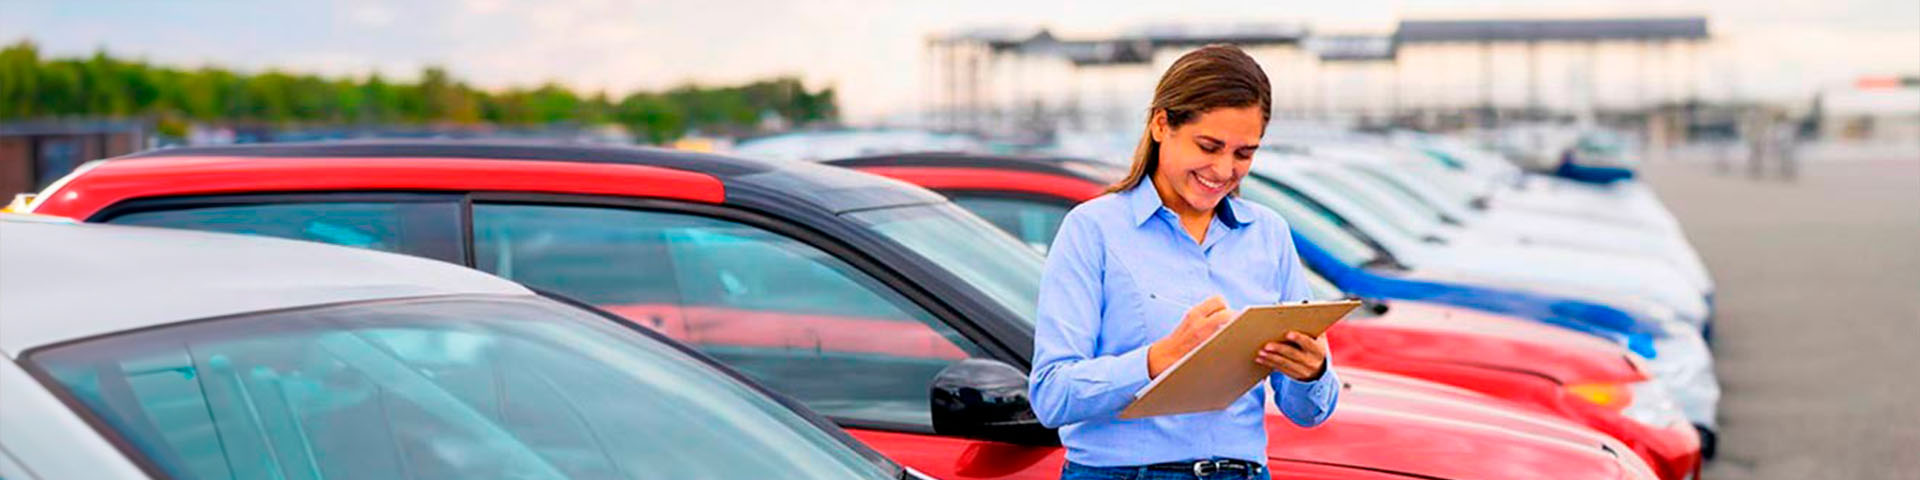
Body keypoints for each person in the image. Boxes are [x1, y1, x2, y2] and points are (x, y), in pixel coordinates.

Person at [1028, 44, 1337, 480]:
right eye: (1209, 146)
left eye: (1244, 154)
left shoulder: (1268, 234)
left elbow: (1308, 413)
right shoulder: (1092, 229)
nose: (1224, 170)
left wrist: (1312, 372)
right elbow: (1051, 395)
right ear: (1161, 125)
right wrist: (1161, 357)